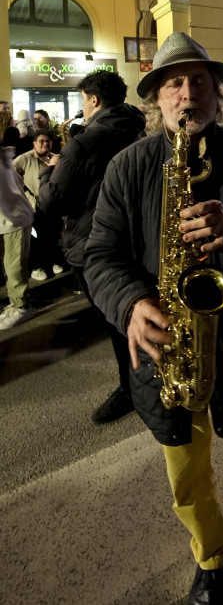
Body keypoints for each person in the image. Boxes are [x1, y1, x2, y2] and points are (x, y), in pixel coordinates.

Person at [84, 32, 223, 605]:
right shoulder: (127, 167)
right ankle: (211, 558)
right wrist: (131, 303)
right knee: (186, 485)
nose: (188, 94)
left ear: (217, 92)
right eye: (174, 83)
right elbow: (100, 255)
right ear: (157, 96)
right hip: (166, 358)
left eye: (199, 82)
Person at [38, 70, 146, 424]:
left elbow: (52, 202)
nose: (82, 106)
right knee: (133, 309)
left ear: (94, 100)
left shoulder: (83, 143)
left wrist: (47, 171)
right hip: (132, 236)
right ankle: (142, 382)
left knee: (115, 320)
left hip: (91, 244)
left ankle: (132, 389)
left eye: (83, 99)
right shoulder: (137, 129)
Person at [13, 131, 65, 280]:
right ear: (34, 143)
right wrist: (22, 190)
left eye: (47, 141)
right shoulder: (25, 158)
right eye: (41, 141)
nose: (44, 144)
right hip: (33, 205)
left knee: (52, 235)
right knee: (35, 238)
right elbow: (11, 173)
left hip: (51, 204)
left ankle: (54, 261)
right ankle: (37, 266)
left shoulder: (55, 158)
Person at [0, 145, 35, 329]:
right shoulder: (4, 158)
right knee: (8, 265)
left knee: (14, 266)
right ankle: (15, 302)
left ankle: (22, 307)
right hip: (8, 219)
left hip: (14, 219)